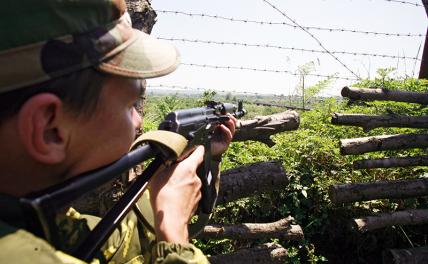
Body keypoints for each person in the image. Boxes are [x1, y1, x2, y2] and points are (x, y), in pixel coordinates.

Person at [0, 0, 236, 263]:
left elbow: (118, 246)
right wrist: (173, 232)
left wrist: (167, 199)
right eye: (129, 105)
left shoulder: (31, 217)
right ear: (49, 129)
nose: (138, 121)